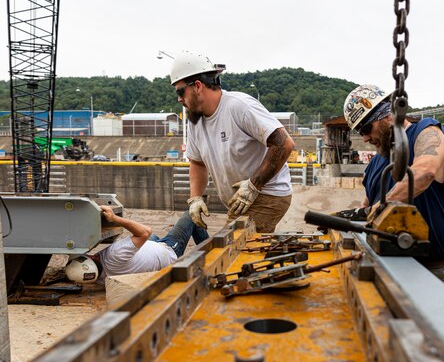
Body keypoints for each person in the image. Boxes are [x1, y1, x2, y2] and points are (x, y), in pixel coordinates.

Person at [342, 84, 444, 287]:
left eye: (366, 128)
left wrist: (375, 209)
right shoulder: (375, 163)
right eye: (360, 132)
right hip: (382, 265)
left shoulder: (426, 132)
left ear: (389, 115)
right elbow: (367, 211)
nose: (365, 138)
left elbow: (424, 172)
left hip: (428, 272)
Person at [169, 51, 295, 233]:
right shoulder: (195, 120)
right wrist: (195, 198)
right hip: (242, 198)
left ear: (197, 86)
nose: (179, 99)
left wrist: (253, 185)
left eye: (181, 91)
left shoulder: (238, 106)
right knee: (240, 249)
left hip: (267, 195)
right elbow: (197, 162)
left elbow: (284, 143)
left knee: (233, 247)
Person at [66, 206, 209, 283]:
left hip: (151, 250)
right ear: (89, 257)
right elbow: (145, 232)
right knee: (192, 213)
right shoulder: (115, 254)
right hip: (168, 251)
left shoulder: (98, 279)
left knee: (146, 240)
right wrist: (114, 218)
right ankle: (210, 254)